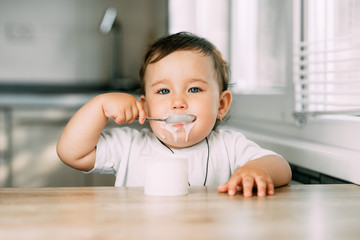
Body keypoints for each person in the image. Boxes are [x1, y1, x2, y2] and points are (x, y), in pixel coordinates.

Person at [57, 32, 292, 197]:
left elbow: (282, 167)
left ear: (221, 105)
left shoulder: (230, 146)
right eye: (164, 91)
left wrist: (258, 170)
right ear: (146, 107)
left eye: (194, 89)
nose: (178, 102)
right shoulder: (129, 145)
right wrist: (99, 106)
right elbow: (71, 153)